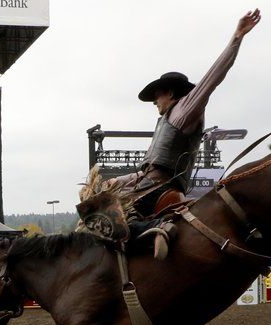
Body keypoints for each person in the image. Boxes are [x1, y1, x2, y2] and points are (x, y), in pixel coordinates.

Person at [91, 9, 262, 250]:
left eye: (156, 95)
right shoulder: (166, 119)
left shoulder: (185, 110)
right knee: (95, 209)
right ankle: (154, 231)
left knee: (103, 221)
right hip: (147, 184)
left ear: (170, 93)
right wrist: (112, 184)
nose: (154, 101)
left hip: (160, 188)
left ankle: (160, 225)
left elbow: (212, 78)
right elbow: (146, 172)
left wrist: (237, 37)